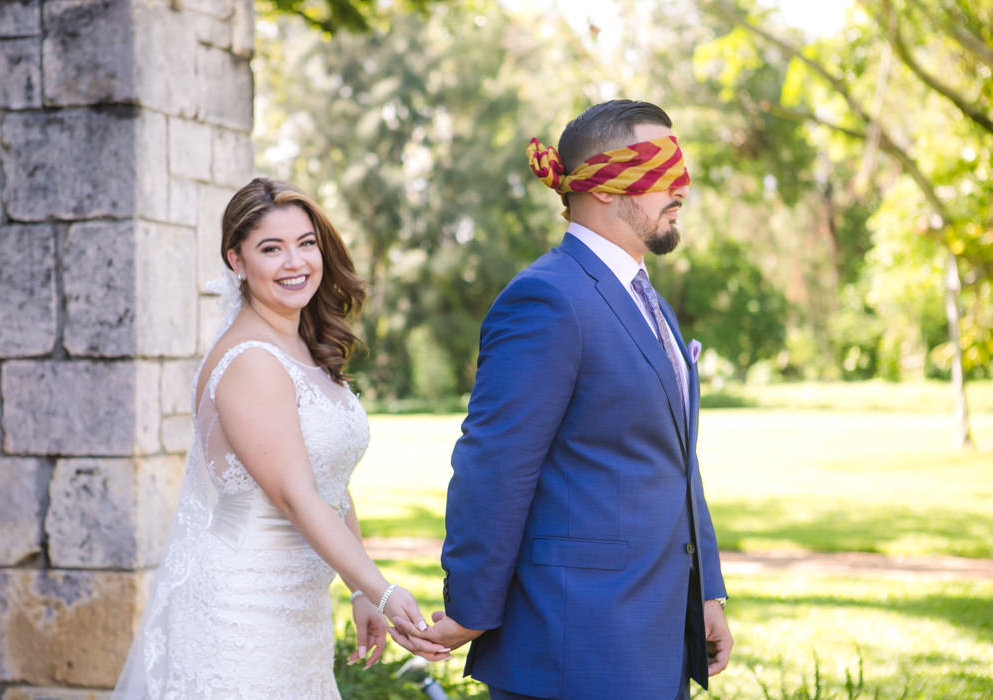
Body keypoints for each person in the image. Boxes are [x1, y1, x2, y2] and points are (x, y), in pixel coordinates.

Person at [391, 100, 733, 699]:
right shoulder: (547, 299)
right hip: (575, 647)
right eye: (660, 171)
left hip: (655, 636)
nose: (680, 186)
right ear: (602, 185)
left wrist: (704, 590)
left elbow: (676, 457)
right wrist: (470, 607)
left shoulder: (649, 300)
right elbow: (495, 464)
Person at [113, 177, 445, 699]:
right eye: (272, 248)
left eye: (306, 243)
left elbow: (330, 480)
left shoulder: (301, 348)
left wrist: (359, 587)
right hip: (242, 607)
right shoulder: (251, 361)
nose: (296, 262)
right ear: (237, 260)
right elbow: (295, 495)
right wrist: (385, 592)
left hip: (298, 610)